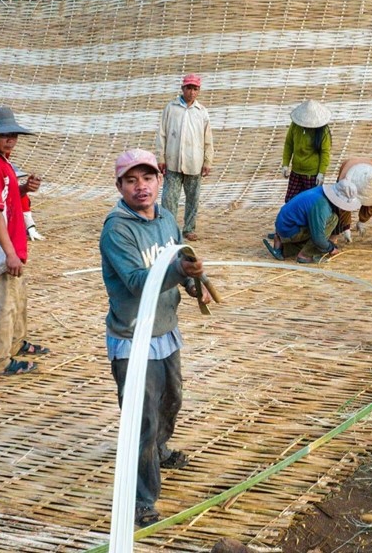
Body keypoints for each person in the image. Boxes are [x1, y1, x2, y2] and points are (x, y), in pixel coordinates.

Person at [99, 148, 211, 528]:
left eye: (147, 178)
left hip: (164, 331)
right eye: (131, 180)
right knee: (141, 420)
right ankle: (141, 498)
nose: (141, 187)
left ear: (160, 181)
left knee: (171, 401)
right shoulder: (118, 229)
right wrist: (180, 270)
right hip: (133, 337)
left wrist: (196, 284)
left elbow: (179, 258)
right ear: (120, 186)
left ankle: (157, 451)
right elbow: (134, 281)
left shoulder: (165, 219)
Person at [0, 107, 50, 376]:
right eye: (4, 135)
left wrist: (25, 188)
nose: (10, 139)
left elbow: (5, 196)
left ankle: (16, 343)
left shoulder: (0, 160)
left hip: (11, 244)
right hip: (0, 246)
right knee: (5, 305)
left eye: (13, 134)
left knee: (18, 298)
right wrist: (9, 253)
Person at [156, 73, 214, 242]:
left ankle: (189, 228)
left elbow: (208, 138)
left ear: (198, 91)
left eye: (195, 89)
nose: (191, 92)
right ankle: (169, 229)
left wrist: (207, 161)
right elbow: (161, 134)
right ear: (183, 88)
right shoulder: (171, 108)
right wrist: (161, 157)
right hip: (173, 161)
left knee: (193, 198)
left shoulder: (201, 112)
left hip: (194, 162)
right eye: (188, 88)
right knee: (169, 199)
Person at [263, 180, 361, 263]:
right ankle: (305, 255)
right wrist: (330, 248)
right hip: (290, 229)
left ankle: (283, 244)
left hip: (284, 225)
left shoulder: (320, 191)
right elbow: (318, 237)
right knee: (333, 219)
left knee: (319, 239)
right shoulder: (321, 206)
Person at [331, 158, 372, 249]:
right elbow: (343, 206)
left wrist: (362, 221)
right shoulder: (346, 183)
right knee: (338, 205)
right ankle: (334, 235)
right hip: (347, 177)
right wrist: (346, 227)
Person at [282, 100, 332, 202]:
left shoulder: (323, 132)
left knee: (310, 202)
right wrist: (285, 164)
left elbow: (325, 153)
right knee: (291, 200)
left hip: (312, 174)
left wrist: (321, 173)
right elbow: (289, 144)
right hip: (296, 171)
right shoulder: (295, 126)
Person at [12, 165, 45, 241]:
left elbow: (25, 212)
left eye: (17, 179)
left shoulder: (22, 196)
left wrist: (31, 229)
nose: (16, 181)